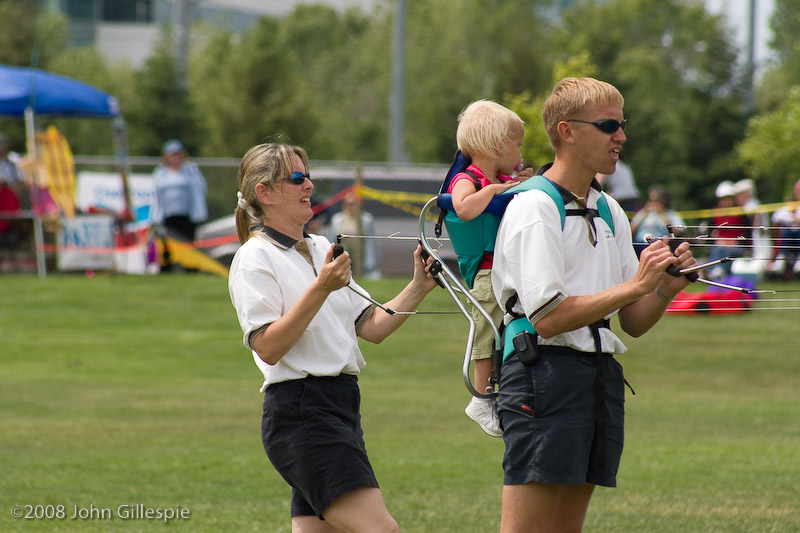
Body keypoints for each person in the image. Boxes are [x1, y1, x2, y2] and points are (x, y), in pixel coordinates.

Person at [491, 77, 695, 532]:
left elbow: (632, 323)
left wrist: (664, 287)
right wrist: (637, 285)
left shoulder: (609, 210)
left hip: (597, 374)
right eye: (608, 125)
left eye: (622, 125)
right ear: (567, 131)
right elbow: (547, 318)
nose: (620, 136)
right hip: (541, 374)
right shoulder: (533, 207)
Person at [228, 143, 438, 533]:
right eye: (296, 178)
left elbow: (371, 327)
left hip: (341, 405)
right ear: (265, 193)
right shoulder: (253, 258)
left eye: (308, 175)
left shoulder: (322, 248)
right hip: (302, 413)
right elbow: (269, 348)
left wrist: (418, 287)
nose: (309, 184)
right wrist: (321, 287)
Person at [447, 99, 531, 437]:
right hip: (484, 271)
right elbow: (463, 208)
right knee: (486, 327)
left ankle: (501, 384)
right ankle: (480, 397)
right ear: (498, 145)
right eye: (518, 144)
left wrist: (520, 182)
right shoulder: (469, 178)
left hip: (506, 270)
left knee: (504, 325)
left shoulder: (502, 177)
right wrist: (496, 188)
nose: (520, 152)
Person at [151, 139, 208, 242]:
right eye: (172, 155)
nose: (175, 157)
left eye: (178, 154)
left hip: (187, 218)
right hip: (168, 218)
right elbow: (155, 196)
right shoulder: (160, 173)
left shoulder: (191, 171)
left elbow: (201, 189)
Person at [329, 192, 380, 279]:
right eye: (348, 204)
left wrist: (371, 262)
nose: (350, 207)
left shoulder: (366, 219)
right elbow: (332, 239)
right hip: (343, 255)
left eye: (353, 204)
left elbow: (371, 242)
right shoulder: (336, 220)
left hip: (361, 257)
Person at [706, 180, 750, 280]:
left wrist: (737, 241)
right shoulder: (715, 212)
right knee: (718, 249)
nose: (727, 202)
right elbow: (709, 233)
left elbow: (748, 232)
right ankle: (715, 272)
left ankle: (721, 273)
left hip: (737, 245)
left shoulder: (740, 212)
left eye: (729, 199)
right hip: (720, 244)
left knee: (729, 252)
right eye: (724, 199)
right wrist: (717, 239)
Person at [629, 185, 684, 255]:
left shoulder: (671, 214)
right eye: (650, 201)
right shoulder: (642, 213)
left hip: (661, 246)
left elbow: (678, 233)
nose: (652, 204)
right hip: (641, 245)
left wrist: (663, 215)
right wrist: (643, 215)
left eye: (655, 201)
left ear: (663, 201)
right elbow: (630, 231)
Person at [767, 178, 800, 280]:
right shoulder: (792, 207)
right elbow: (776, 218)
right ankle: (781, 258)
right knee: (788, 232)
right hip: (790, 237)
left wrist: (794, 219)